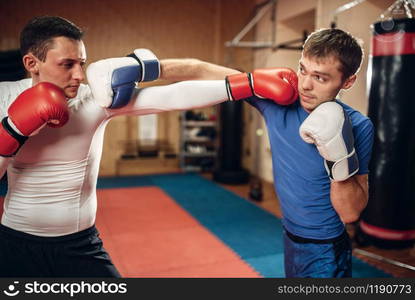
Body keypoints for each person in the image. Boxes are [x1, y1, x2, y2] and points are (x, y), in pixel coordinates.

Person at [0, 16, 293, 277]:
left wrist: (248, 83)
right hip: (15, 242)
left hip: (79, 245)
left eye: (82, 64)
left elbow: (170, 97)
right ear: (31, 63)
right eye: (67, 64)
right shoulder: (4, 98)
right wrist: (13, 130)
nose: (79, 75)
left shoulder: (94, 101)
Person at [223, 28, 374, 277]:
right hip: (289, 237)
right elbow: (210, 74)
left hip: (326, 249)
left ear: (347, 82)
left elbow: (350, 213)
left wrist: (339, 155)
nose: (305, 85)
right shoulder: (279, 104)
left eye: (320, 78)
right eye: (302, 69)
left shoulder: (358, 126)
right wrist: (152, 69)